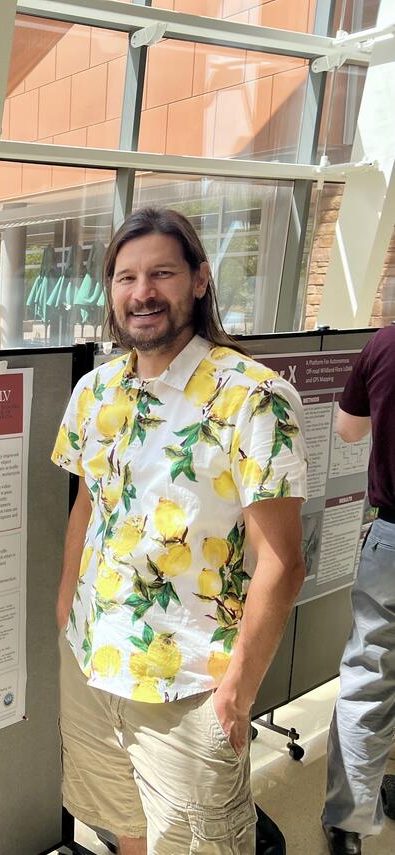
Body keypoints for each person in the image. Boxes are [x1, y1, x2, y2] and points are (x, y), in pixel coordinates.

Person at [50, 207, 308, 854]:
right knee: (125, 828)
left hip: (190, 682)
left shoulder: (253, 396)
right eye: (126, 277)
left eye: (161, 273)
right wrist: (65, 607)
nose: (142, 292)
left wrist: (237, 691)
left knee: (198, 844)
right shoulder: (94, 391)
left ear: (199, 279)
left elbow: (283, 560)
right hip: (92, 658)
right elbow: (87, 505)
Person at [322, 323, 395, 855]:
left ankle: (348, 824)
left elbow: (348, 430)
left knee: (370, 678)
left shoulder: (385, 344)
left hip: (393, 538)